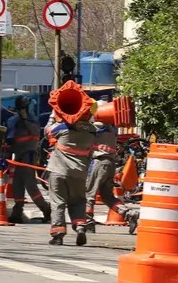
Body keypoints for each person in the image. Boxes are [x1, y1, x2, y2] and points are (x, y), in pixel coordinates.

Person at [45, 109, 96, 246]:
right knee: (78, 201)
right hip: (79, 173)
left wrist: (53, 115)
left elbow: (47, 131)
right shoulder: (92, 131)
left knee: (58, 202)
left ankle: (58, 234)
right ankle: (80, 227)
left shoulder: (62, 128)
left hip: (58, 170)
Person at [83, 102, 134, 232]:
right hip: (110, 163)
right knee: (107, 196)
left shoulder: (98, 126)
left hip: (99, 161)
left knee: (89, 193)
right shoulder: (111, 128)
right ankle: (129, 214)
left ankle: (88, 222)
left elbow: (85, 129)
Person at [3, 96, 51, 223]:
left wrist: (5, 157)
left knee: (30, 186)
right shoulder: (31, 121)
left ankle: (46, 209)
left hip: (27, 157)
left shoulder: (18, 121)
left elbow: (9, 140)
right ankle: (17, 212)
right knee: (18, 184)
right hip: (23, 157)